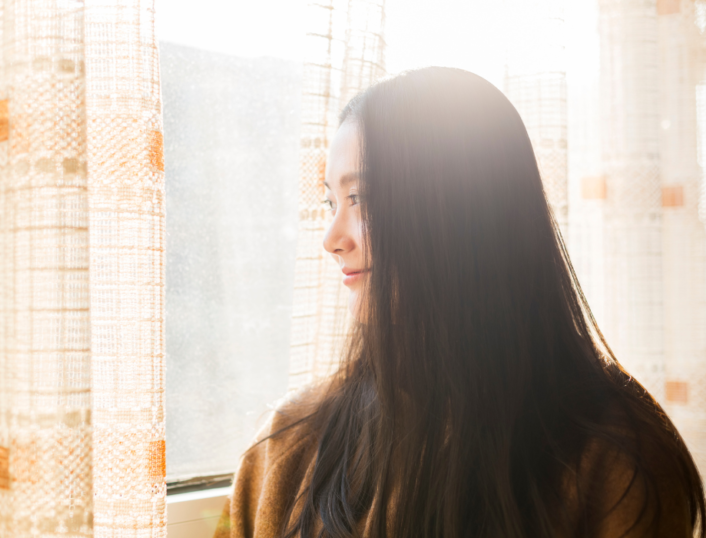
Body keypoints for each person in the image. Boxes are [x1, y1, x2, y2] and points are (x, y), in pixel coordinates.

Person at [214, 67, 705, 538]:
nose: (331, 238)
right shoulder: (286, 445)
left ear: (463, 215)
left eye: (360, 197)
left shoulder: (615, 460)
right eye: (330, 202)